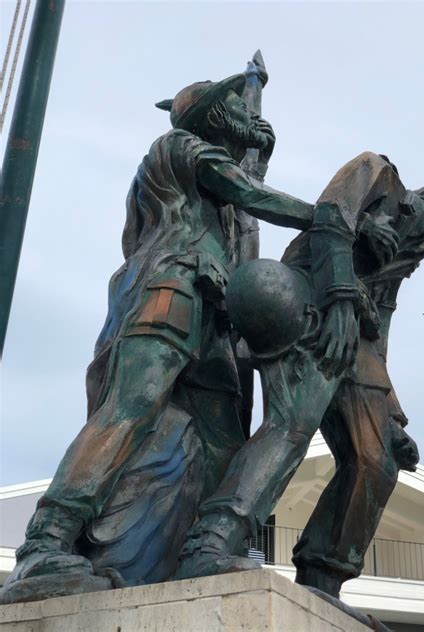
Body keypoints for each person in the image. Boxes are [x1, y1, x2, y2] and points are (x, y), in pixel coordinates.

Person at [0, 71, 326, 604]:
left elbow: (242, 206)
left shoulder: (212, 179)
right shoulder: (181, 146)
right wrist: (324, 217)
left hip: (211, 315)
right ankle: (47, 539)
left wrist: (258, 155)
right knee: (133, 408)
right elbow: (246, 191)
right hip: (170, 288)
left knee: (224, 439)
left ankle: (204, 549)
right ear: (217, 116)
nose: (250, 115)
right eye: (238, 109)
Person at [175, 152, 424, 585]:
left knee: (379, 458)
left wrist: (394, 418)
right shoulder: (380, 174)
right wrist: (343, 296)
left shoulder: (411, 255)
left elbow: (378, 335)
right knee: (291, 428)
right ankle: (211, 543)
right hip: (308, 298)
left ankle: (323, 577)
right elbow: (331, 213)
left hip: (355, 334)